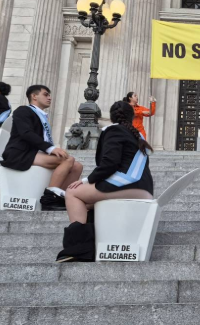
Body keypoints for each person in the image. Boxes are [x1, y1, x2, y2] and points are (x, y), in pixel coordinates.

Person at [57, 101, 155, 262]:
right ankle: (95, 242)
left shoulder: (114, 130)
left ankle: (78, 249)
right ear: (131, 117)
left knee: (73, 193)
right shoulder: (136, 134)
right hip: (143, 188)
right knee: (86, 204)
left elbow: (110, 162)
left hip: (126, 185)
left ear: (111, 117)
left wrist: (86, 180)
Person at [1, 85, 83, 211]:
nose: (50, 98)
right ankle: (49, 199)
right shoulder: (23, 110)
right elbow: (26, 133)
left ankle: (62, 198)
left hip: (35, 153)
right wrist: (51, 148)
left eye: (50, 95)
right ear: (34, 96)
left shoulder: (42, 116)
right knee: (67, 160)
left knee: (77, 166)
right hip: (20, 153)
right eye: (46, 94)